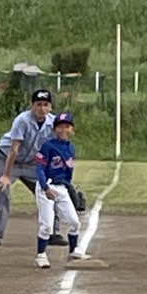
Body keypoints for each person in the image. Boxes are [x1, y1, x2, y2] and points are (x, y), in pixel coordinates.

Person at [0, 88, 64, 246]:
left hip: (31, 164)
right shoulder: (23, 120)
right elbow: (14, 149)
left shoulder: (53, 124)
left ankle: (52, 232)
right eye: (38, 104)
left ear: (51, 107)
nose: (42, 108)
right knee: (3, 190)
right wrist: (6, 176)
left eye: (45, 104)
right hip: (6, 158)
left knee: (48, 191)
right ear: (31, 105)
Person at [33, 111, 96, 269]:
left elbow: (67, 172)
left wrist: (69, 187)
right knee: (47, 225)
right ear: (55, 129)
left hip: (61, 189)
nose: (63, 130)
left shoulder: (70, 148)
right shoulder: (47, 146)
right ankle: (41, 255)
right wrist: (45, 187)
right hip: (46, 187)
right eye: (60, 127)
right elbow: (39, 168)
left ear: (72, 130)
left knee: (75, 222)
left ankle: (73, 252)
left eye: (67, 126)